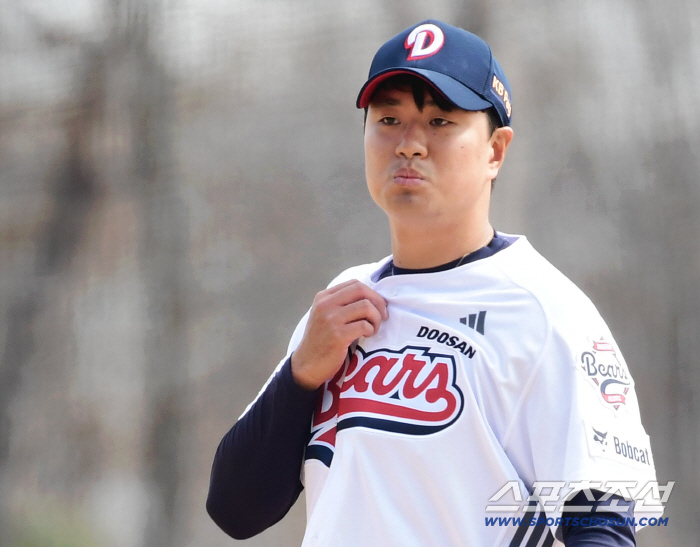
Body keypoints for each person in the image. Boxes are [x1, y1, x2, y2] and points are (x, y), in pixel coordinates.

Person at [206, 20, 664, 546]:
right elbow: (235, 510)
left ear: (495, 151)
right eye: (389, 119)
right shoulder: (342, 302)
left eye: (441, 121)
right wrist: (301, 376)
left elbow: (603, 527)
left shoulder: (545, 313)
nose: (409, 144)